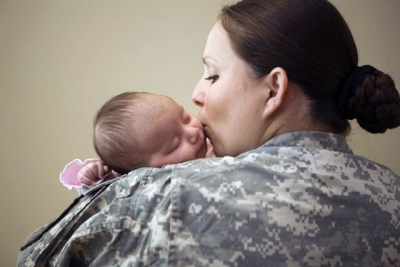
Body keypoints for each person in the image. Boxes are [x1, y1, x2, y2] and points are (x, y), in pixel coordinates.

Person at [18, 0, 400, 266]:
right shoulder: (393, 196)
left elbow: (34, 258)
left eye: (213, 74)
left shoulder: (161, 195)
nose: (197, 95)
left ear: (273, 89)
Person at [59, 91, 214, 195]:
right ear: (143, 171)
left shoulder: (212, 143)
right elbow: (108, 199)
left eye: (186, 118)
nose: (193, 132)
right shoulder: (147, 187)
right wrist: (96, 178)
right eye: (175, 144)